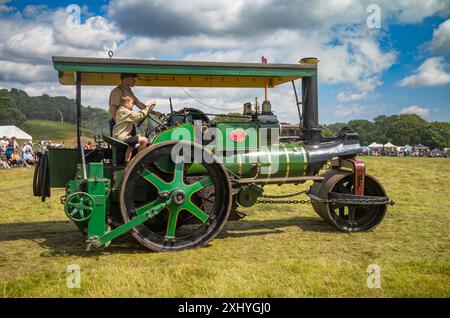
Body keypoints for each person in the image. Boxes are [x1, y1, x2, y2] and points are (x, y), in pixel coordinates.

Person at [113, 96, 155, 163]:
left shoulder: (120, 110)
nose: (133, 105)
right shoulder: (124, 111)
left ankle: (127, 162)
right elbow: (140, 115)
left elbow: (137, 116)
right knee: (144, 140)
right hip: (122, 137)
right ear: (126, 103)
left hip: (120, 136)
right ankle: (138, 160)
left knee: (131, 145)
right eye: (132, 103)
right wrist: (149, 106)